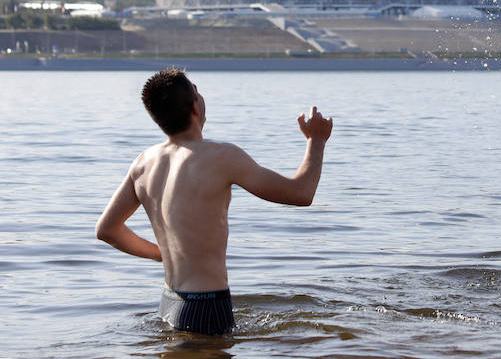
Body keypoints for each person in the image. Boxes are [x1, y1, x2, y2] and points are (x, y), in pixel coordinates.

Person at [95, 68, 333, 335]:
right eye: (197, 91)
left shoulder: (143, 162)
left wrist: (162, 253)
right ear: (195, 107)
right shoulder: (220, 157)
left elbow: (107, 230)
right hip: (206, 305)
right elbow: (301, 193)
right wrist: (316, 141)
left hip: (168, 302)